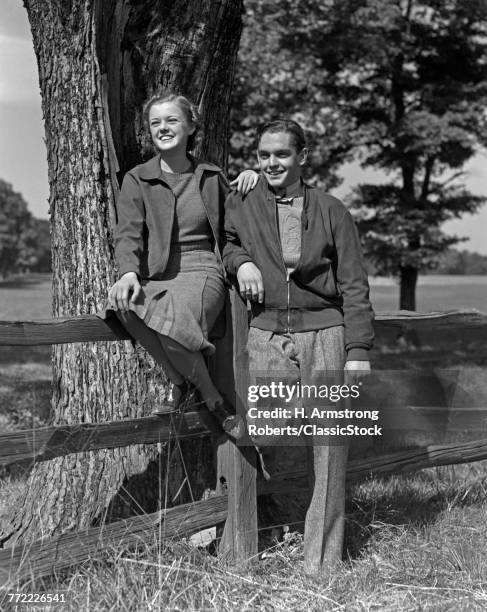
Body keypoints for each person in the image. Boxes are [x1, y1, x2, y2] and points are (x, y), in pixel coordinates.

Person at [223, 119, 375, 574]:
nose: (272, 162)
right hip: (267, 331)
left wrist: (359, 348)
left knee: (329, 445)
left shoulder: (332, 210)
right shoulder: (243, 200)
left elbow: (353, 283)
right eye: (264, 155)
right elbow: (226, 243)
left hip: (325, 331)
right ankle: (275, 520)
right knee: (266, 428)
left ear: (302, 156)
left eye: (281, 154)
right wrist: (242, 262)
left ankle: (321, 565)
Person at [104, 93, 257, 440]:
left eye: (171, 120)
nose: (163, 128)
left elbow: (238, 226)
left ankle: (211, 401)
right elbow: (127, 233)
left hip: (202, 270)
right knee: (123, 304)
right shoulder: (137, 179)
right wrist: (128, 272)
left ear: (190, 126)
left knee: (176, 318)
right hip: (157, 274)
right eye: (155, 123)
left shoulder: (211, 176)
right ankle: (182, 382)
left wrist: (253, 179)